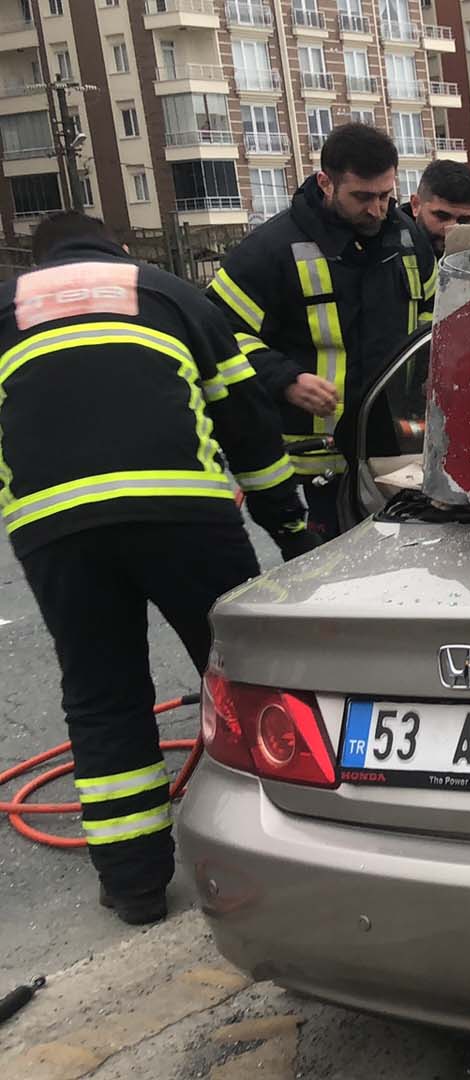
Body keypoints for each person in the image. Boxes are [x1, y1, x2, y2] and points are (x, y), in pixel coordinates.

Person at [0, 212, 317, 926]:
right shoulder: (168, 292)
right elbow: (245, 424)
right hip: (186, 515)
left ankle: (135, 883)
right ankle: (293, 843)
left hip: (57, 529)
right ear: (112, 251)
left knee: (103, 694)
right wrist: (291, 527)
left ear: (41, 260)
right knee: (242, 676)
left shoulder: (5, 307)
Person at [207, 123, 438, 539]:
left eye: (386, 194)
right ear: (325, 183)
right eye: (362, 197)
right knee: (326, 586)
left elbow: (434, 315)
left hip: (393, 453)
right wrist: (286, 379)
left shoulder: (406, 240)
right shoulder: (271, 249)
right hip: (313, 465)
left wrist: (426, 376)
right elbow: (216, 333)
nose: (377, 209)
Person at [404, 159, 470, 254]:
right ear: (415, 205)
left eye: (464, 220)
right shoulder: (387, 254)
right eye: (442, 216)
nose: (452, 229)